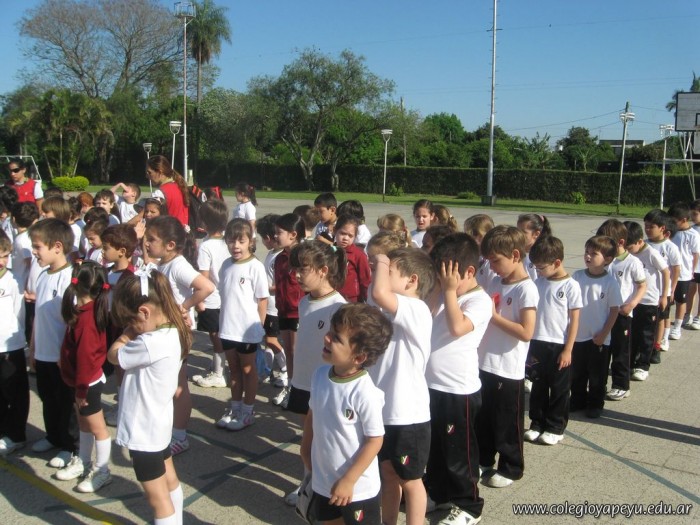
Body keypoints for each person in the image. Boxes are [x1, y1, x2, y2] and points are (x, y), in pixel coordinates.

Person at [108, 270, 190, 525]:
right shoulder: (173, 331)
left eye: (131, 321)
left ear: (144, 312)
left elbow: (113, 355)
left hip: (143, 431)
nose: (131, 327)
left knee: (158, 501)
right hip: (159, 424)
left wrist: (126, 335)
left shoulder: (148, 342)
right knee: (170, 482)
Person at [300, 303, 392, 525]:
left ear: (359, 357)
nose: (326, 338)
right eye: (330, 332)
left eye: (336, 338)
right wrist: (305, 447)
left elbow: (375, 440)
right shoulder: (319, 375)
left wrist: (349, 480)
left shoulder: (365, 392)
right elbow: (313, 415)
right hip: (324, 480)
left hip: (358, 488)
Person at [424, 233, 492, 525]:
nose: (443, 281)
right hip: (433, 385)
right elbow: (426, 315)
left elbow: (457, 328)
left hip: (458, 390)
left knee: (459, 452)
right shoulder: (444, 294)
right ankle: (437, 492)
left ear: (468, 272)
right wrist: (441, 289)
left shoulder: (479, 300)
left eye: (447, 275)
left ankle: (469, 505)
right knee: (435, 447)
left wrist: (449, 292)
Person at [369, 247, 436, 525]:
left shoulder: (416, 309)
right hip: (384, 411)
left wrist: (381, 258)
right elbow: (376, 295)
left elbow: (378, 292)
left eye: (389, 272)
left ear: (412, 280)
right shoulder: (389, 310)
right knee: (388, 474)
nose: (381, 275)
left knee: (411, 480)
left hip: (408, 415)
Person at [145, 216, 214, 455]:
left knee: (178, 385)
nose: (146, 243)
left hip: (176, 333)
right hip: (162, 331)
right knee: (165, 383)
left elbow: (206, 287)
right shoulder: (161, 264)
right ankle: (167, 428)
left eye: (152, 239)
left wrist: (182, 308)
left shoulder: (177, 265)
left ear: (170, 245)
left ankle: (180, 435)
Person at [286, 241, 347, 507]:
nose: (297, 275)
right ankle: (308, 484)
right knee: (308, 440)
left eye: (303, 269)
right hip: (303, 381)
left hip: (323, 385)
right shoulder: (304, 302)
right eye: (295, 269)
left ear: (323, 270)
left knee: (322, 440)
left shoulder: (338, 307)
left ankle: (321, 487)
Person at [477, 225, 538, 488]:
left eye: (495, 260)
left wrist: (494, 317)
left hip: (508, 368)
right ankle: (483, 459)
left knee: (507, 423)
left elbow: (526, 332)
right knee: (484, 418)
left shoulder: (526, 289)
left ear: (515, 255)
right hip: (485, 362)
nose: (492, 267)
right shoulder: (495, 281)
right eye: (489, 261)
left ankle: (511, 467)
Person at [56, 261, 112, 492]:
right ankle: (84, 461)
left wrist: (81, 390)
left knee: (98, 428)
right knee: (83, 424)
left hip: (87, 384)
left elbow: (87, 358)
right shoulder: (84, 311)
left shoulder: (87, 320)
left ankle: (102, 470)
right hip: (79, 382)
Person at [28, 218, 76, 468]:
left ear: (57, 246)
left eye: (38, 247)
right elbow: (38, 315)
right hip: (43, 353)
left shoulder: (68, 278)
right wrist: (33, 347)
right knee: (48, 398)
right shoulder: (43, 275)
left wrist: (64, 354)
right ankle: (53, 436)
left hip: (60, 356)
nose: (34, 252)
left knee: (65, 401)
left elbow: (72, 322)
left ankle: (70, 446)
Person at [524, 236, 581, 446]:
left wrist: (568, 349)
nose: (538, 271)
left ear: (557, 263)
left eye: (541, 267)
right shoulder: (538, 283)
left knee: (559, 388)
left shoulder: (571, 286)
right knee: (538, 385)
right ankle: (537, 423)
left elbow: (574, 320)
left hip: (559, 344)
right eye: (535, 267)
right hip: (537, 341)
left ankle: (555, 427)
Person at [216, 218, 268, 431]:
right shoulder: (225, 265)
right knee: (234, 370)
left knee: (248, 370)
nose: (235, 246)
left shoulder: (255, 267)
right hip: (228, 329)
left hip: (247, 331)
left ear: (250, 242)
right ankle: (235, 408)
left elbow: (262, 299)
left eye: (241, 241)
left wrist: (259, 326)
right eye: (231, 241)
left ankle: (248, 411)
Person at [571, 236, 622, 418]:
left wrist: (604, 334)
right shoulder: (577, 276)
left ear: (607, 259)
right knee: (577, 372)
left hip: (598, 338)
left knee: (597, 375)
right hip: (578, 335)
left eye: (594, 254)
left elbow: (614, 311)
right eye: (587, 252)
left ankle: (595, 403)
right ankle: (577, 399)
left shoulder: (610, 282)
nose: (588, 256)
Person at [596, 219, 646, 401]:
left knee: (620, 352)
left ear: (621, 242)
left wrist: (631, 304)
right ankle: (598, 385)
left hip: (622, 315)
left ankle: (621, 385)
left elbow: (642, 286)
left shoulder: (632, 262)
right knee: (602, 351)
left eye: (607, 243)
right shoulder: (603, 261)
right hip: (603, 313)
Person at [100, 224, 139, 426]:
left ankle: (126, 406)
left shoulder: (131, 276)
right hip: (107, 323)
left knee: (122, 367)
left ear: (122, 251)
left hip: (121, 326)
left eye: (106, 247)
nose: (102, 251)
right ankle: (121, 401)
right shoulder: (105, 272)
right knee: (115, 367)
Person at [624, 221, 670, 381]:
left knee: (646, 335)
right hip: (633, 300)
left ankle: (643, 365)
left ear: (639, 241)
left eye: (630, 248)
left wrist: (664, 296)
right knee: (632, 334)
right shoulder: (629, 254)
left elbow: (666, 272)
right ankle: (630, 363)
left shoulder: (651, 253)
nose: (628, 251)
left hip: (649, 301)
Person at [192, 199, 230, 389]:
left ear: (205, 222)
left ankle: (218, 374)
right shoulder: (228, 242)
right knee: (222, 334)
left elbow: (204, 276)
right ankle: (218, 367)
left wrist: (199, 300)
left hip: (212, 299)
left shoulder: (206, 246)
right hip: (227, 297)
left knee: (215, 336)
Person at [271, 213, 306, 408]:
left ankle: (298, 389)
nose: (275, 236)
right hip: (283, 310)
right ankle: (291, 386)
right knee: (289, 351)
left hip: (298, 312)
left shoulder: (303, 257)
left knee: (297, 351)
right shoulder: (279, 258)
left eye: (279, 233)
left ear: (293, 235)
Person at [0, 230, 29, 456]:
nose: (2, 261)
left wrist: (18, 339)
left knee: (14, 392)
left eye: (5, 256)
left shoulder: (13, 280)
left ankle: (16, 435)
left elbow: (20, 314)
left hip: (10, 346)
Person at [643, 209, 680, 356]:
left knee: (660, 319)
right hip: (646, 291)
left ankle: (656, 346)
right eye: (645, 226)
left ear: (662, 228)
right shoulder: (644, 245)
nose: (647, 230)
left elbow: (675, 270)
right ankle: (643, 346)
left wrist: (672, 290)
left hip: (662, 291)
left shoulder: (670, 247)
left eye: (651, 227)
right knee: (646, 320)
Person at [256, 214, 287, 387]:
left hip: (274, 307)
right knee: (268, 340)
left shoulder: (279, 257)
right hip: (267, 306)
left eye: (262, 238)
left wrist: (263, 288)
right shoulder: (271, 254)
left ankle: (285, 369)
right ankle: (266, 370)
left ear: (268, 237)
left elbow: (280, 285)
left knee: (271, 340)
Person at [667, 202, 700, 340]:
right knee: (668, 301)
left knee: (681, 300)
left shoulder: (693, 235)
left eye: (674, 221)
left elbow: (695, 254)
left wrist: (692, 270)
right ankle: (665, 329)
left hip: (684, 274)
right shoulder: (671, 233)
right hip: (669, 274)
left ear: (683, 220)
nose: (672, 224)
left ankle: (677, 327)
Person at [144, 155, 190, 227]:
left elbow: (144, 216)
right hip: (183, 230)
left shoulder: (159, 193)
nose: (147, 176)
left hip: (168, 231)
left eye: (149, 172)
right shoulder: (180, 186)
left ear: (160, 172)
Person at [335, 214, 371, 303]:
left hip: (352, 300)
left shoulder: (359, 255)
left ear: (355, 237)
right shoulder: (328, 252)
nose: (345, 238)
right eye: (342, 233)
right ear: (335, 231)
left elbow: (365, 281)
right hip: (332, 297)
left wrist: (368, 301)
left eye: (350, 236)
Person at [517, 213, 552, 281]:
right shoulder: (516, 251)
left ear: (536, 234)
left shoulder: (543, 254)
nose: (518, 235)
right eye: (517, 231)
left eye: (523, 232)